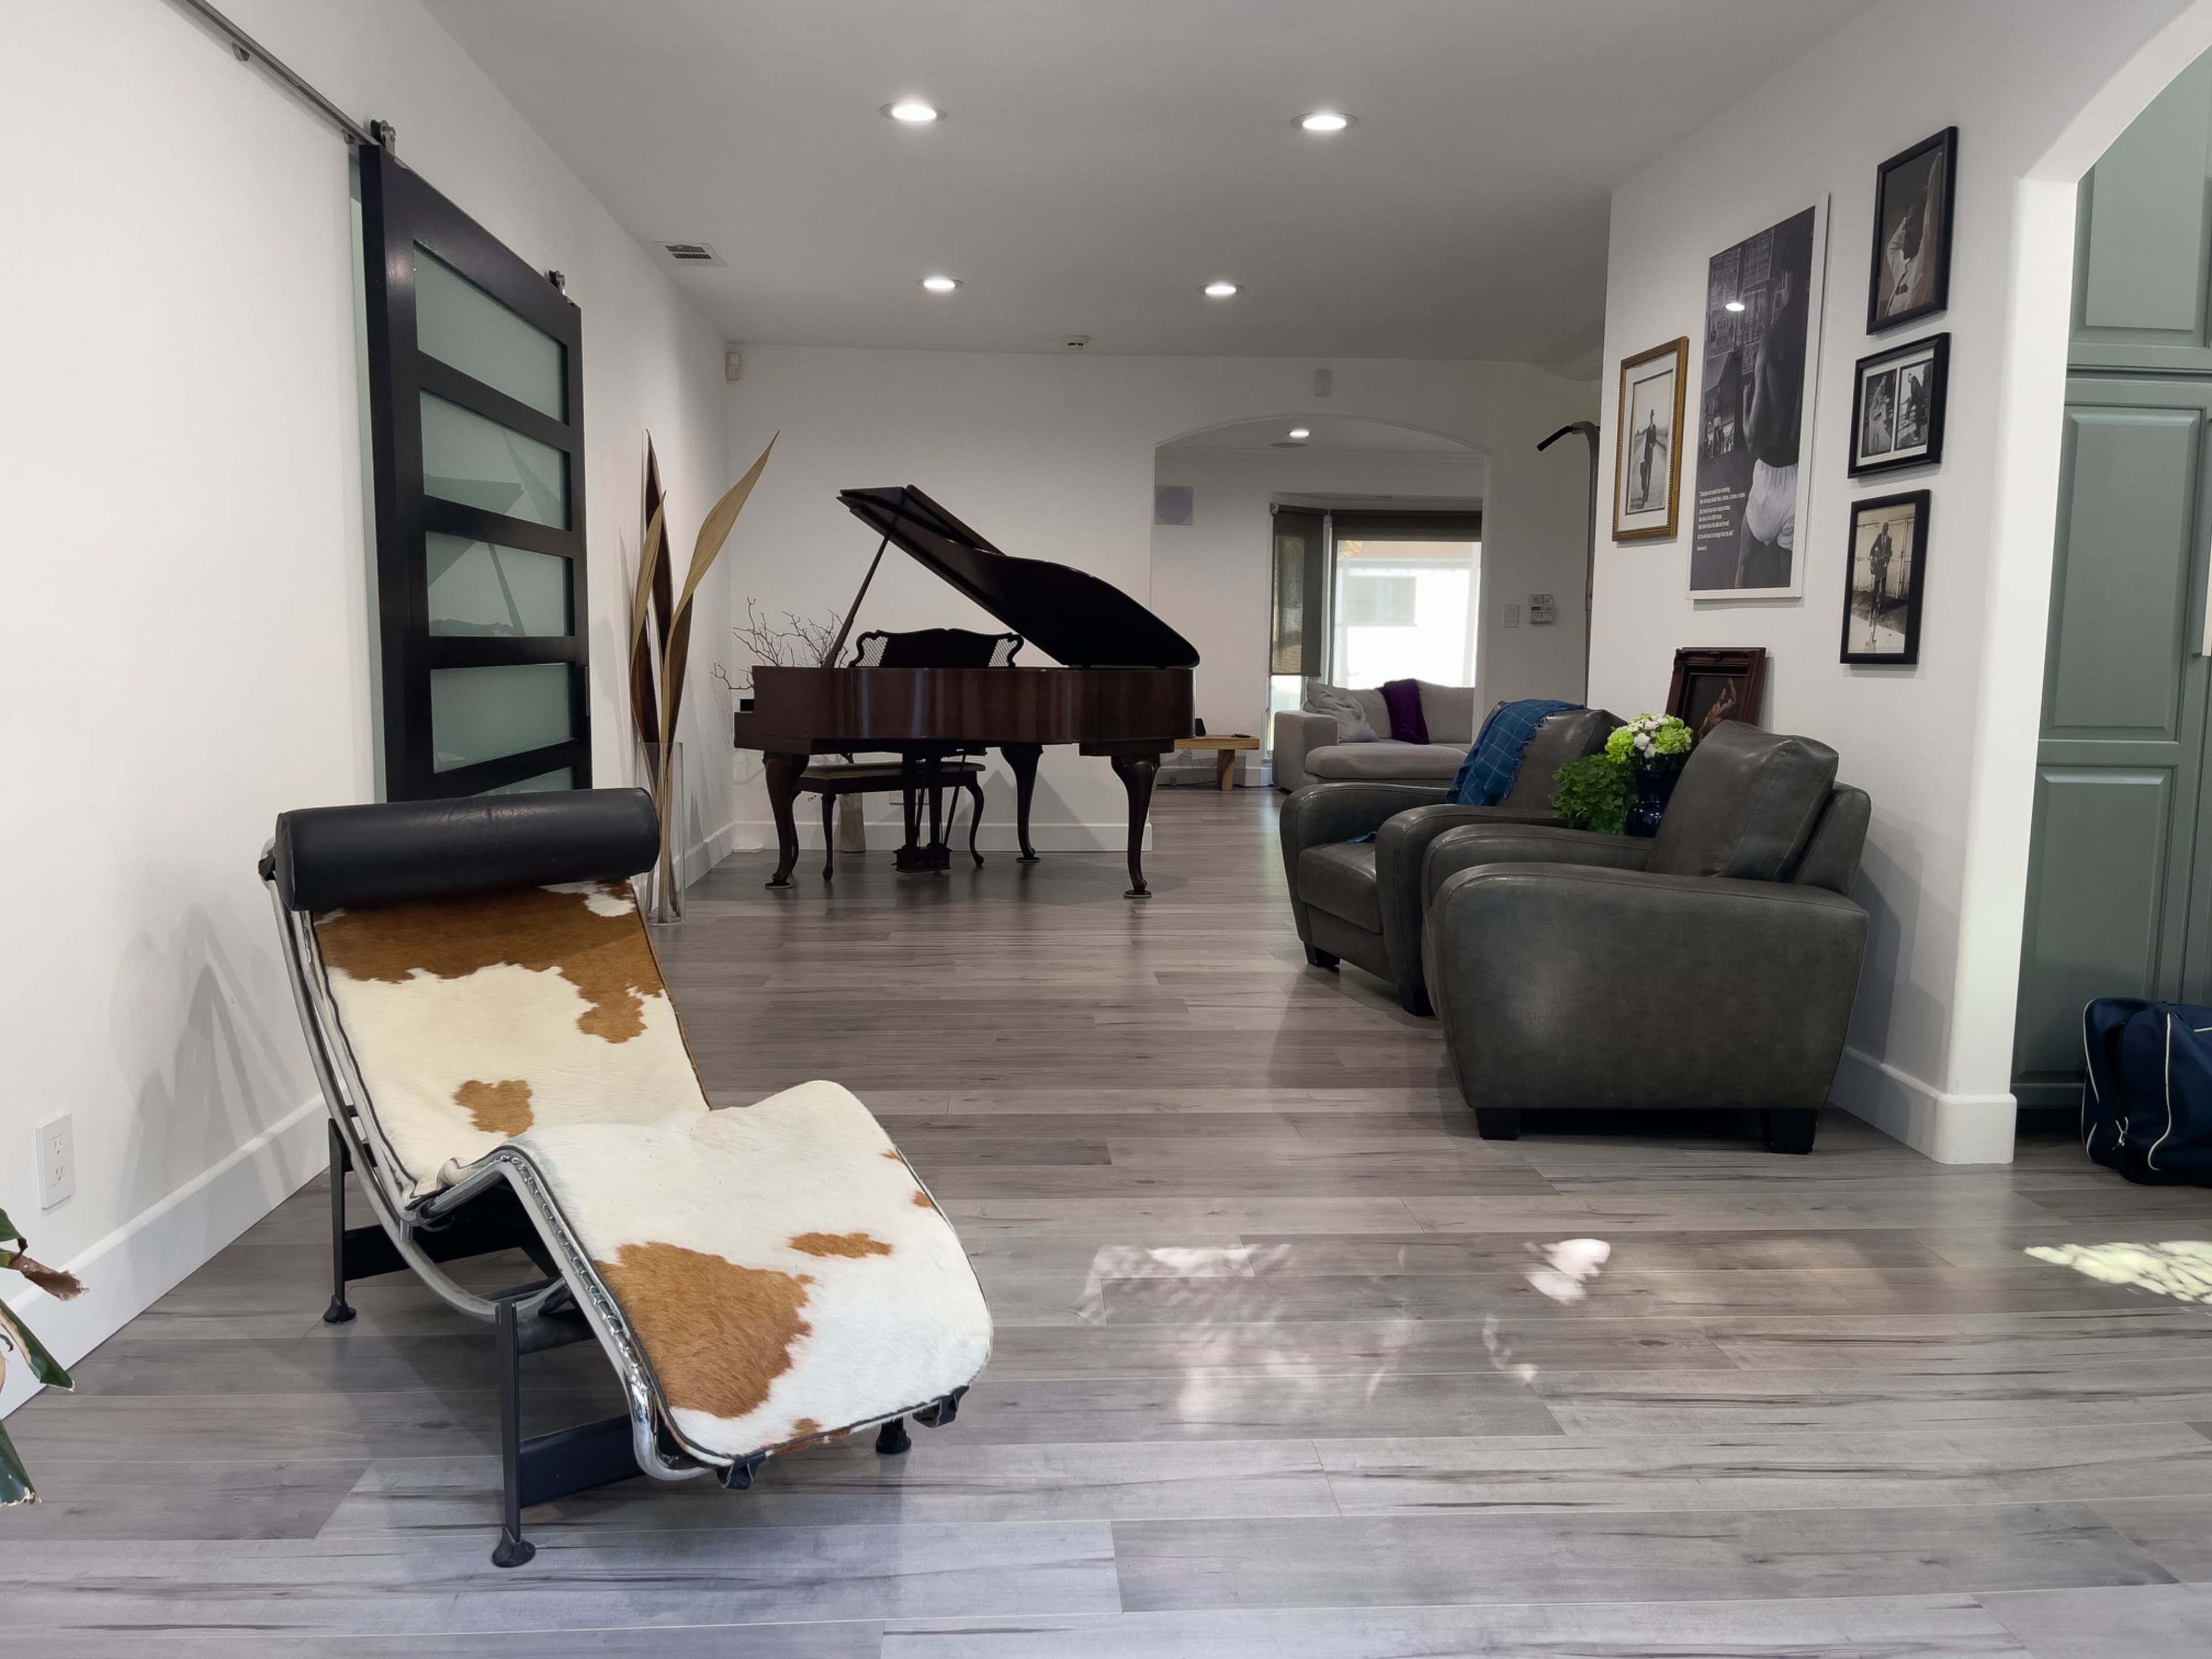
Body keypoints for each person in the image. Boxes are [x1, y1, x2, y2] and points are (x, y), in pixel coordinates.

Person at [1738, 260, 1804, 589]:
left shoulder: (1771, 338)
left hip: (1769, 474)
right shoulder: (1809, 334)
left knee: (1743, 570)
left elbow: (1752, 439)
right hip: (1798, 477)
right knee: (1788, 584)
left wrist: (1746, 402)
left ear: (1781, 279)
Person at [1866, 520, 1895, 645]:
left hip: (1884, 567)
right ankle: (1873, 610)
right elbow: (1872, 549)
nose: (1884, 530)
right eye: (1883, 528)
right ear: (1882, 529)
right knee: (1876, 589)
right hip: (1878, 567)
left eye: (1886, 528)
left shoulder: (1890, 540)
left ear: (1888, 529)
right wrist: (1873, 559)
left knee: (1883, 589)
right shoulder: (1879, 537)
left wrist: (1887, 561)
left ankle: (1881, 611)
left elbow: (1890, 554)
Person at [1636, 408, 1660, 506]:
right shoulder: (1648, 429)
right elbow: (1644, 439)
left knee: (1648, 476)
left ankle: (1646, 496)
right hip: (1646, 455)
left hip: (1651, 456)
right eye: (1651, 418)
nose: (1651, 420)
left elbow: (1655, 440)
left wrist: (1652, 445)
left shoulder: (1654, 429)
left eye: (1652, 418)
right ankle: (1644, 491)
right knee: (1644, 473)